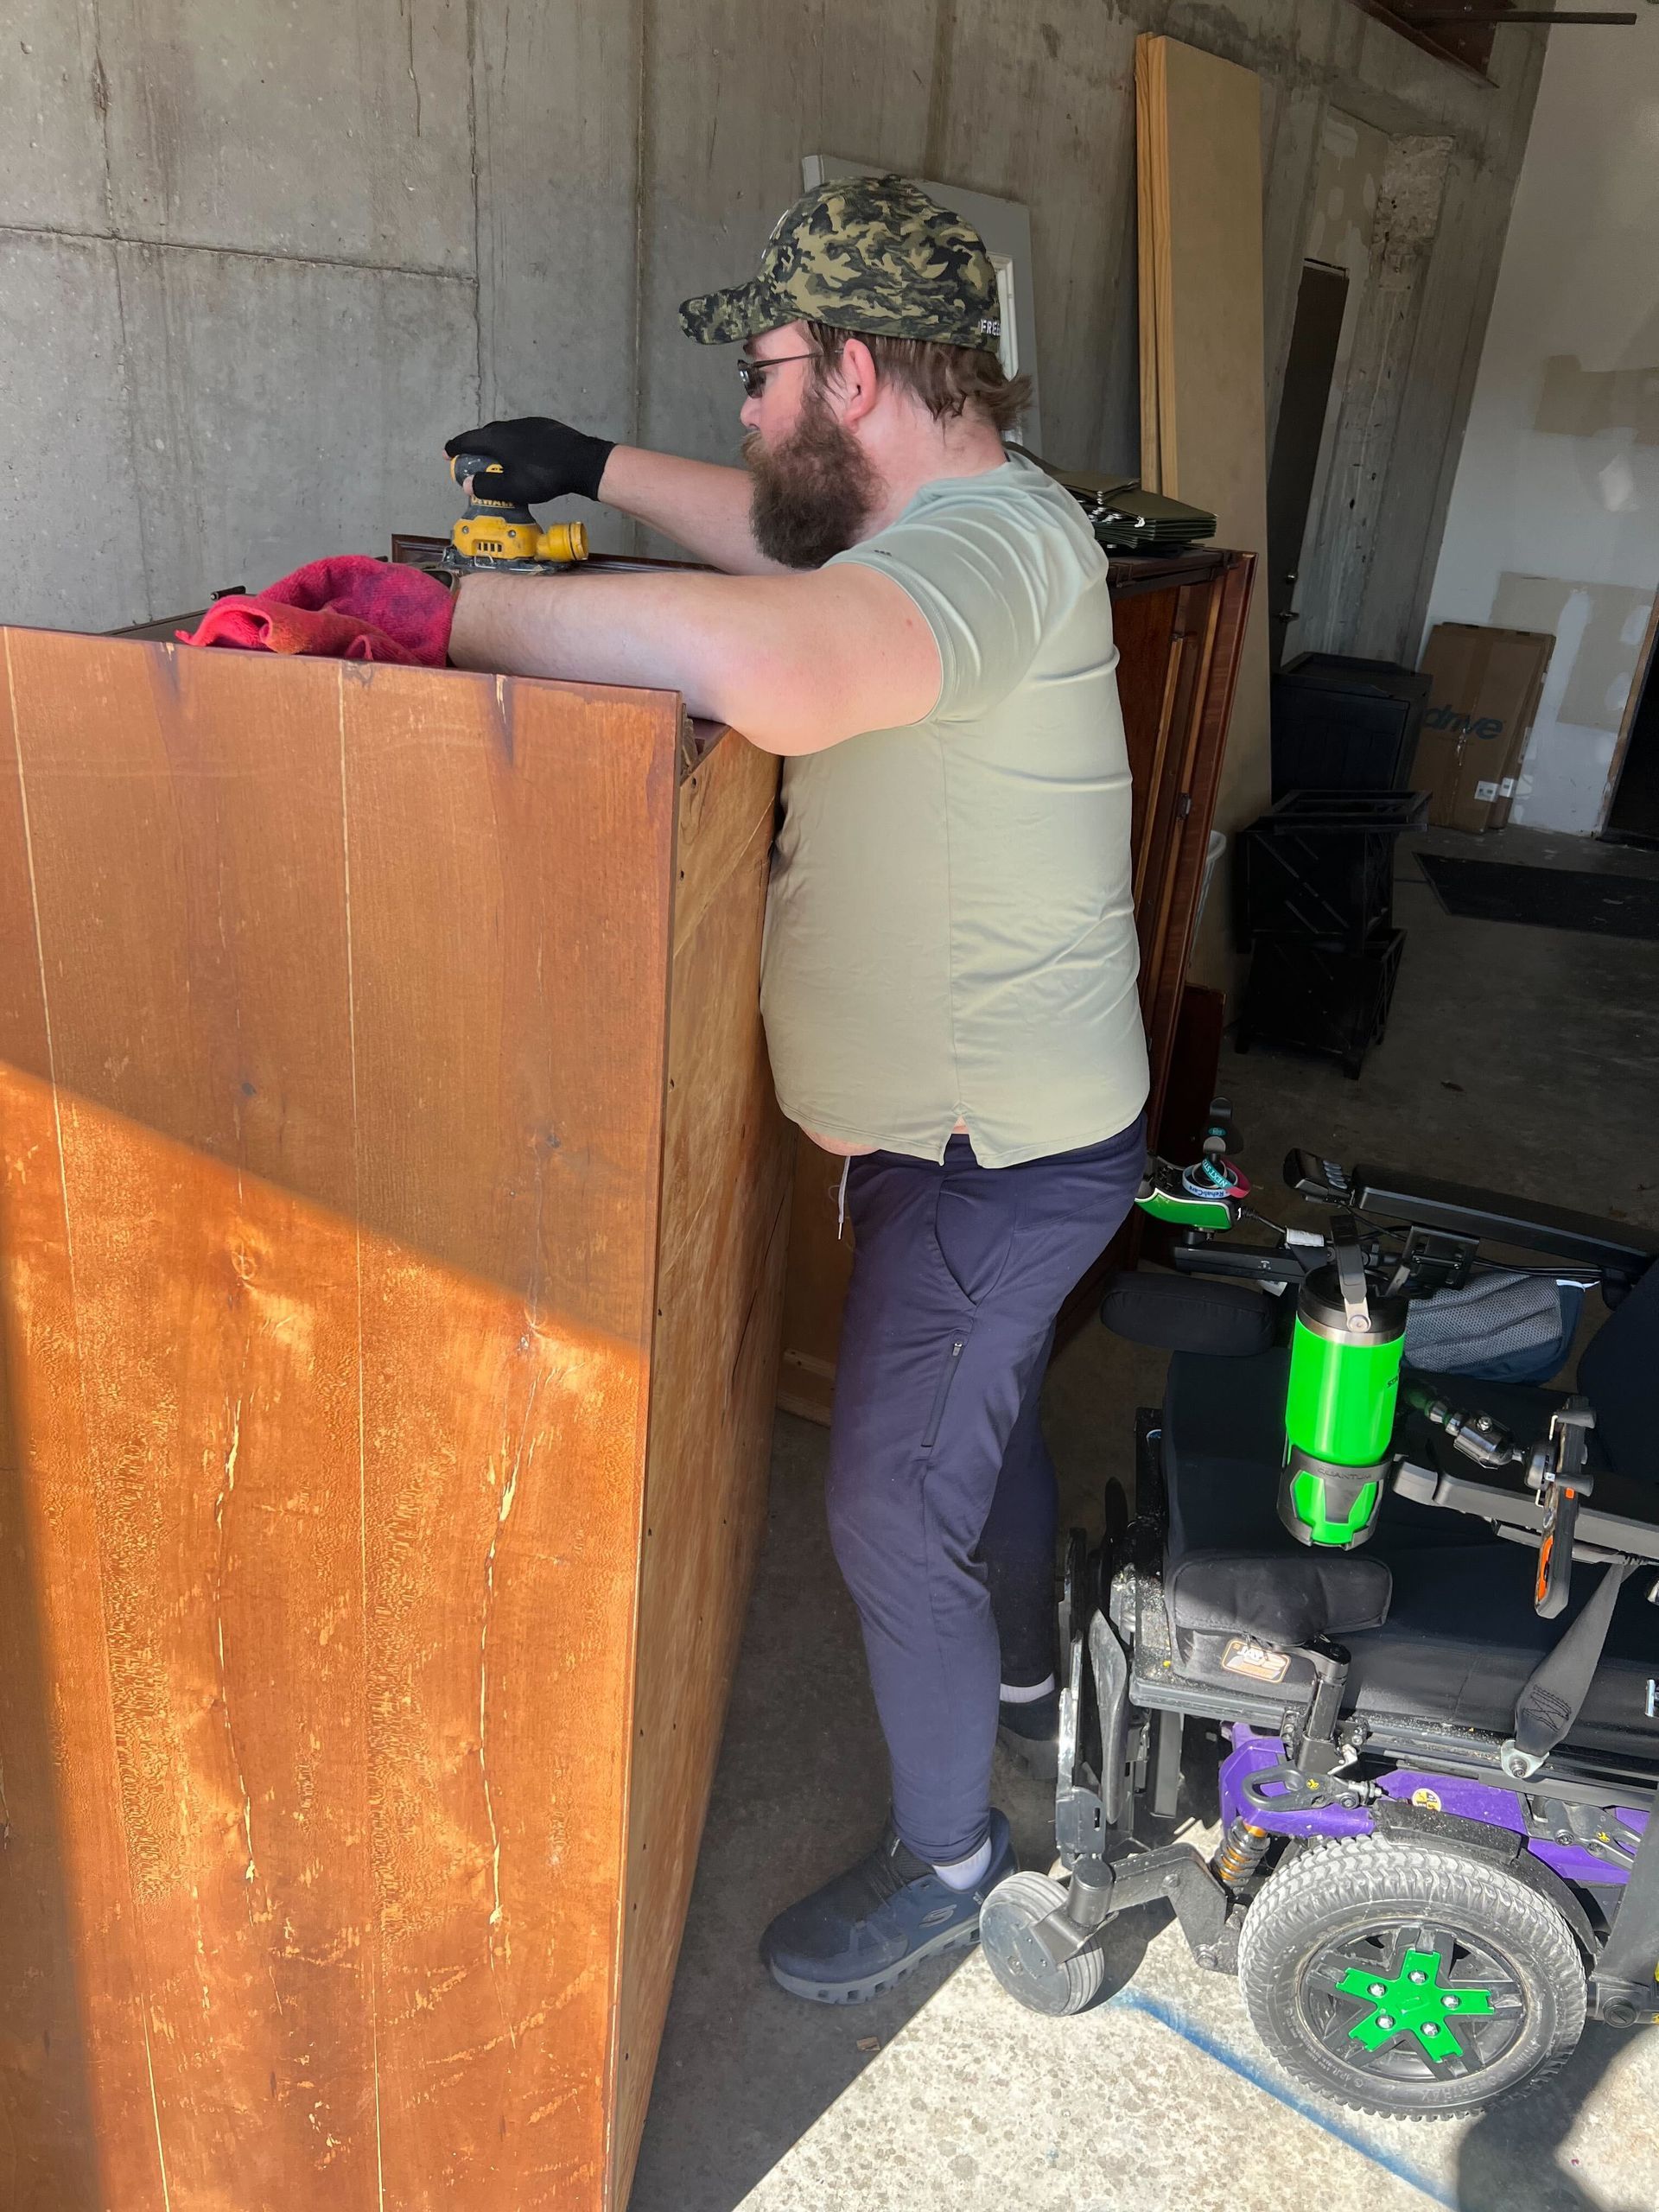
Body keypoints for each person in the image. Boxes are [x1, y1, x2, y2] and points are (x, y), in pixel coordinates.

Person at [446, 173, 1149, 2004]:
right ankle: (1016, 1671)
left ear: (848, 371)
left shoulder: (986, 554)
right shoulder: (935, 525)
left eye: (762, 374)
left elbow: (779, 667)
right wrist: (593, 464)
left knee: (886, 1497)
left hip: (1002, 1157)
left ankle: (949, 1858)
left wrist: (456, 619)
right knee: (962, 1419)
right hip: (963, 1135)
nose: (744, 416)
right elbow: (774, 540)